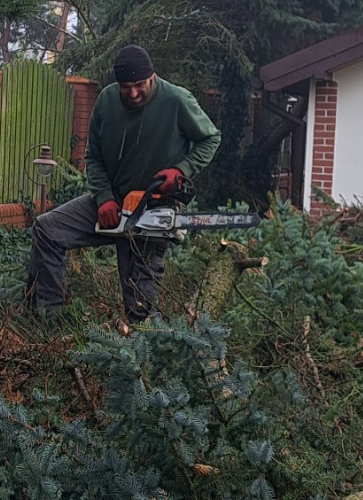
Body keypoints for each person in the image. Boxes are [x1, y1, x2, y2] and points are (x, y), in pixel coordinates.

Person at [26, 44, 220, 322]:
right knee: (47, 229)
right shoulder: (106, 101)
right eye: (126, 86)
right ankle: (46, 318)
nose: (133, 93)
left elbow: (211, 138)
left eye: (140, 85)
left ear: (151, 77)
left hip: (156, 204)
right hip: (114, 200)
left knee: (138, 295)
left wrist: (181, 169)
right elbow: (93, 157)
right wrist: (104, 197)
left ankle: (139, 344)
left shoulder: (176, 100)